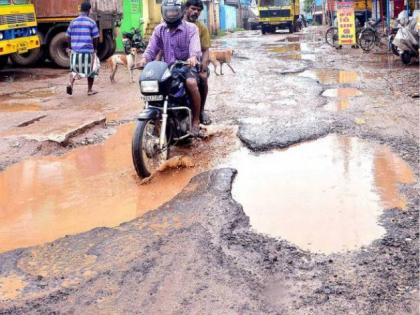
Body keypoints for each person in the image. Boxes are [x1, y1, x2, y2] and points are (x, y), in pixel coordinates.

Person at [138, 0, 203, 136]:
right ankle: (156, 120)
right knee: (154, 87)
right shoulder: (159, 29)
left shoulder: (191, 28)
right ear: (164, 13)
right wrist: (144, 59)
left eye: (174, 11)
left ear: (180, 12)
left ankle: (196, 120)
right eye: (169, 12)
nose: (172, 14)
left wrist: (192, 57)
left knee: (191, 83)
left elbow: (195, 48)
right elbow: (151, 48)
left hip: (186, 66)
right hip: (168, 68)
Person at [184, 0, 212, 125]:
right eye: (193, 8)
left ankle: (200, 111)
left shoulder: (202, 28)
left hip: (195, 63)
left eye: (198, 10)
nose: (196, 12)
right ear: (186, 8)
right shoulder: (175, 23)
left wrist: (204, 66)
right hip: (177, 62)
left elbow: (205, 50)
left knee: (203, 79)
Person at [66, 1, 100, 96]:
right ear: (89, 10)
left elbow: (68, 36)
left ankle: (70, 84)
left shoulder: (73, 21)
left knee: (74, 70)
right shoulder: (91, 22)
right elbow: (96, 37)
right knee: (92, 71)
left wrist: (70, 48)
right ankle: (89, 90)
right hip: (88, 52)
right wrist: (95, 50)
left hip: (76, 52)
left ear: (80, 9)